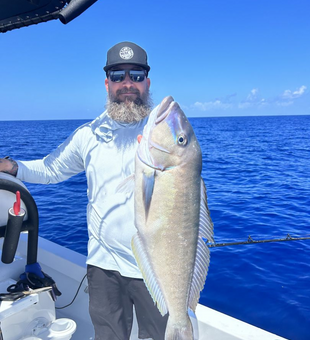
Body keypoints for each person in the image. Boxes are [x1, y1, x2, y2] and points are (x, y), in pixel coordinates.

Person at [0, 41, 168, 340]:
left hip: (156, 267)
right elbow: (51, 169)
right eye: (118, 76)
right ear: (107, 83)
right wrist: (12, 167)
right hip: (103, 266)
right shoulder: (88, 135)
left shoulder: (165, 133)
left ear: (147, 82)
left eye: (136, 75)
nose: (127, 83)